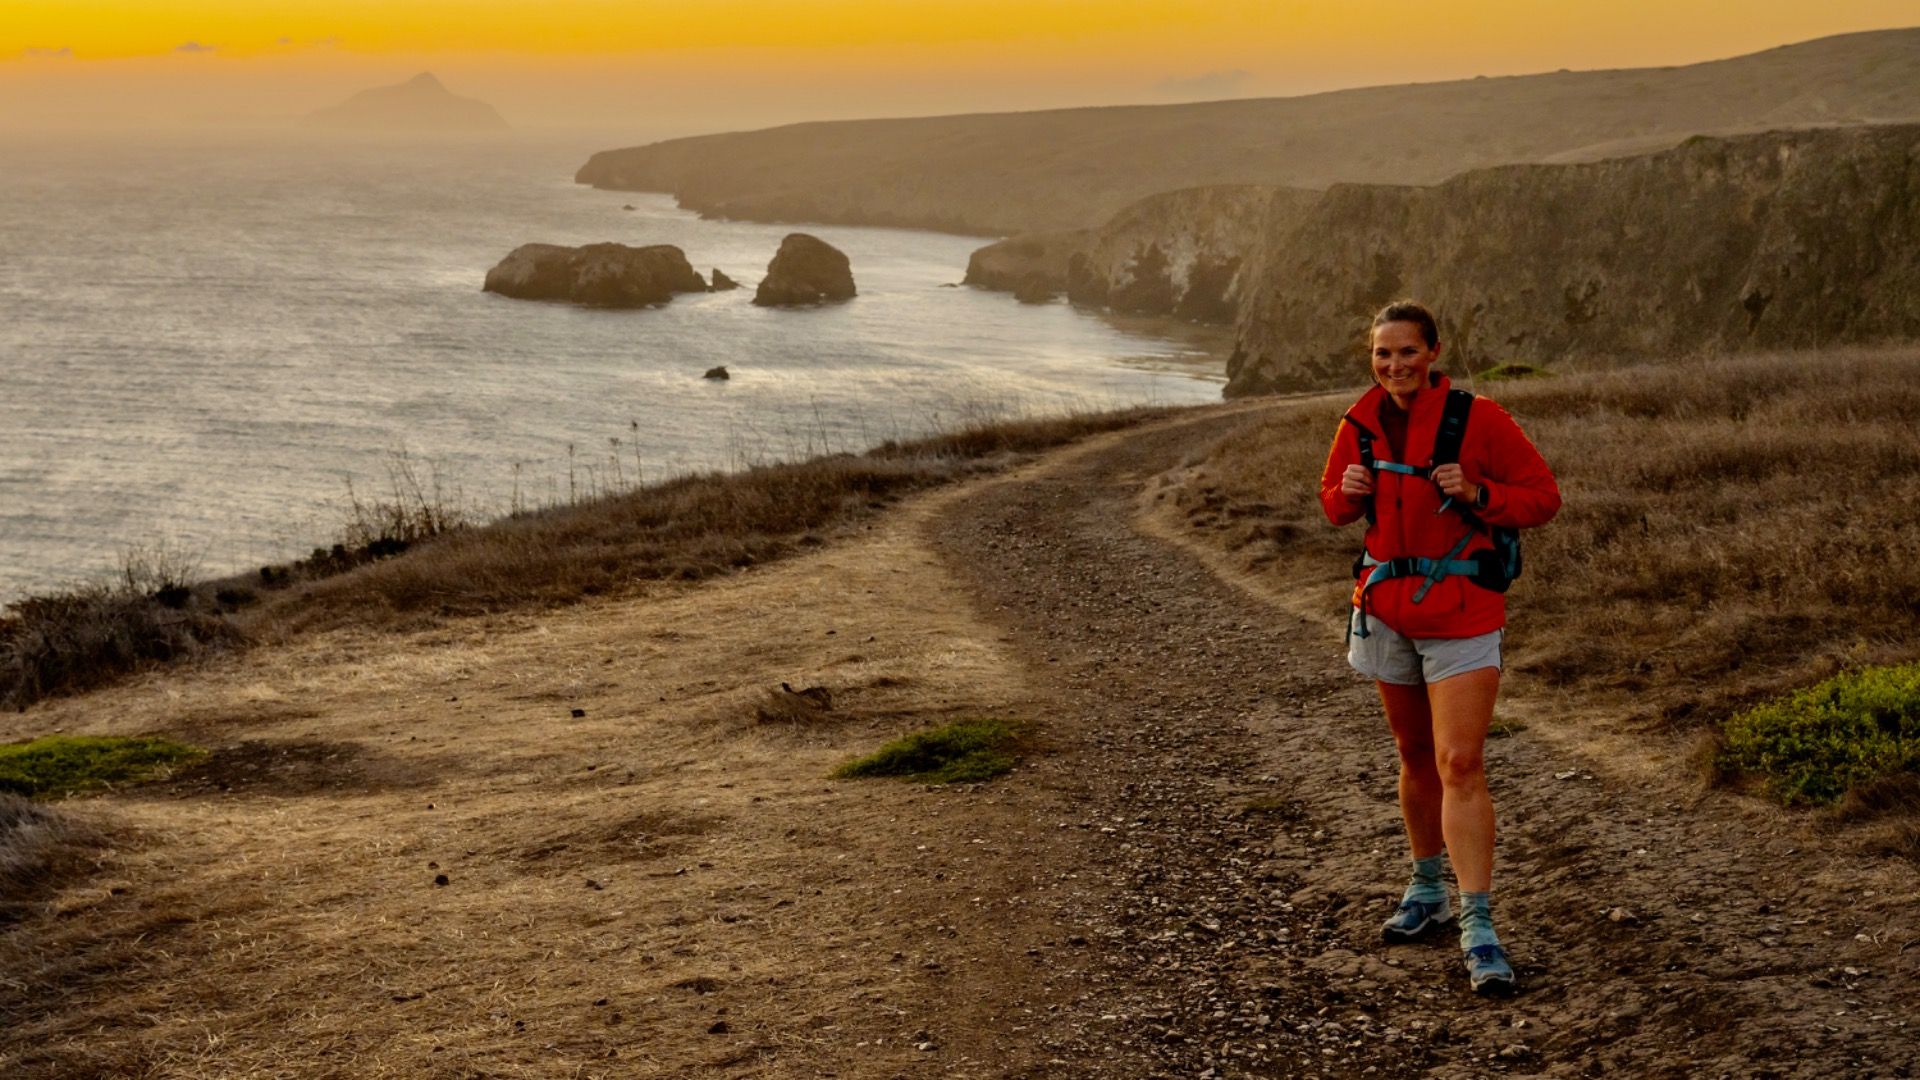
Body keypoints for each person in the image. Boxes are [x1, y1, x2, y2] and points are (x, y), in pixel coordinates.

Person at [1318, 300, 1561, 995]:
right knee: (1414, 755)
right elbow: (1334, 506)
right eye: (1381, 354)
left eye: (1406, 352)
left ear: (1433, 352)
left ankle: (1478, 923)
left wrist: (1479, 491)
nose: (1393, 365)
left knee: (1461, 759)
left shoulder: (1478, 418)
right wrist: (1346, 490)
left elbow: (1543, 498)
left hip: (1463, 612)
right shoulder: (1358, 423)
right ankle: (1427, 890)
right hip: (1385, 610)